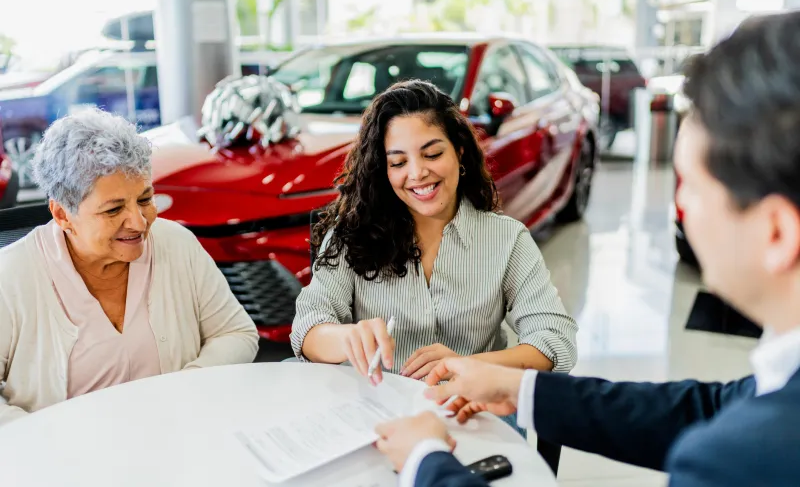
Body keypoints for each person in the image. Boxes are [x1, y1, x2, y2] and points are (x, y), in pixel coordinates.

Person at [374, 11, 800, 486]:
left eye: (693, 189)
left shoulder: (733, 464)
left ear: (777, 232)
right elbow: (716, 406)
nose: (677, 205)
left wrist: (425, 461)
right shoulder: (778, 393)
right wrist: (519, 388)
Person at [290, 80, 577, 387]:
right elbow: (307, 328)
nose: (417, 174)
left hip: (470, 403)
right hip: (379, 407)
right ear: (383, 171)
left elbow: (556, 340)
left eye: (432, 154)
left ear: (460, 152)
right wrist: (347, 337)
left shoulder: (507, 239)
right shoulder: (351, 233)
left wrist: (466, 365)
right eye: (398, 162)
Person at [0, 109, 259, 426]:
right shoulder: (11, 277)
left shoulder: (176, 244)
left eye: (145, 198)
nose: (139, 222)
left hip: (180, 438)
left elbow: (236, 333)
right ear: (63, 215)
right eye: (114, 209)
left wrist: (188, 387)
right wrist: (42, 438)